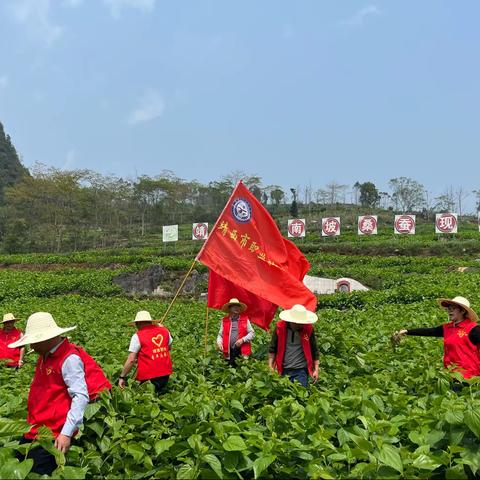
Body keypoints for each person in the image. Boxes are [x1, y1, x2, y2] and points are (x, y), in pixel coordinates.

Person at [9, 312, 111, 476]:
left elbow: (80, 397)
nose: (31, 347)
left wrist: (65, 434)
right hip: (36, 426)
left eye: (33, 342)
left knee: (39, 470)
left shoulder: (69, 359)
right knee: (20, 462)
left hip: (52, 431)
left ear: (45, 339)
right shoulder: (46, 355)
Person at [392, 296, 480, 380]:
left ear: (463, 311)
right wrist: (407, 331)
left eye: (453, 308)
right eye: (449, 308)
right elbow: (429, 331)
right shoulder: (447, 328)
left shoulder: (473, 329)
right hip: (450, 375)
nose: (450, 311)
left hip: (469, 376)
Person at [119, 311, 173, 394]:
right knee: (159, 395)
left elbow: (131, 360)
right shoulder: (165, 331)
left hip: (148, 376)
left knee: (145, 399)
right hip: (165, 374)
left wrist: (122, 376)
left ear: (138, 323)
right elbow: (168, 347)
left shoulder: (137, 336)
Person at [268, 304, 320, 387]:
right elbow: (272, 348)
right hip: (283, 369)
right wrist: (270, 366)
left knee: (300, 394)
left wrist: (316, 370)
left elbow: (314, 350)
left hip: (301, 370)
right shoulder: (280, 328)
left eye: (301, 323)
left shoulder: (308, 329)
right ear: (290, 320)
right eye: (297, 323)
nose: (300, 325)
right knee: (284, 395)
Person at [216, 298, 255, 366]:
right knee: (229, 369)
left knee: (241, 368)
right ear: (230, 308)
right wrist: (219, 343)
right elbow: (220, 335)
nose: (236, 308)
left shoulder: (245, 320)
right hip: (228, 351)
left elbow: (252, 333)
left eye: (238, 306)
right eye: (234, 306)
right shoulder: (224, 320)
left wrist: (242, 340)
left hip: (241, 351)